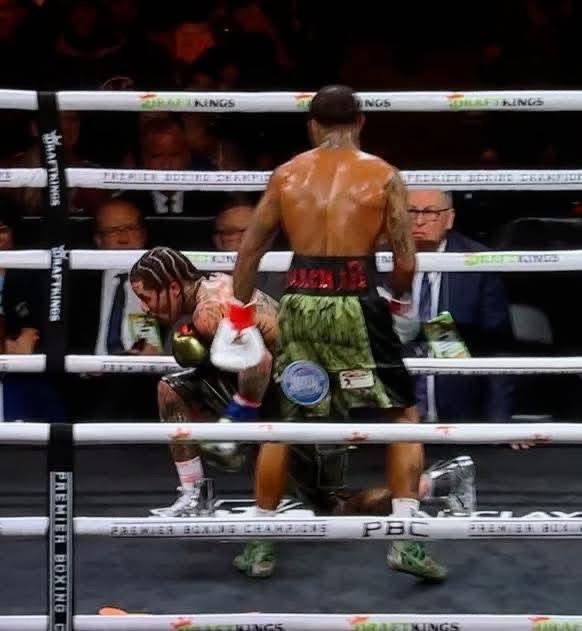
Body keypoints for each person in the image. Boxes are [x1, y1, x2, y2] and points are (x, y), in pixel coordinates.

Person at [211, 85, 447, 581]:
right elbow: (406, 260)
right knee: (402, 415)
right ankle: (405, 540)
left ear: (312, 126)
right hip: (357, 302)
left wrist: (239, 316)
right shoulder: (383, 175)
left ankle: (259, 546)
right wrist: (395, 299)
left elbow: (249, 251)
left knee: (283, 423)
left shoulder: (287, 174)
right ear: (360, 122)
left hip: (299, 302)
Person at [131, 246, 471, 579]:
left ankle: (439, 482)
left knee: (337, 508)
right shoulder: (218, 283)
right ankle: (196, 495)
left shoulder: (207, 313)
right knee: (173, 388)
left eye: (146, 297)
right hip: (299, 392)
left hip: (302, 405)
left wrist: (237, 418)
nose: (144, 308)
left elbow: (259, 361)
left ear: (172, 287)